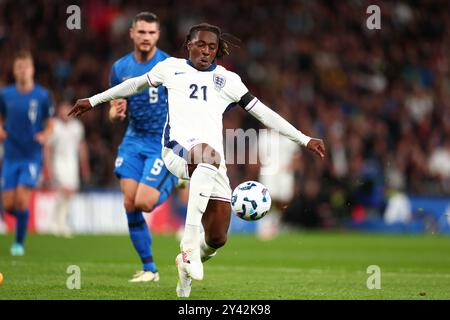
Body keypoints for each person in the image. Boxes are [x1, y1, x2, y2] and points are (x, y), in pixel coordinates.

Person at [69, 23, 326, 297]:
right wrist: (94, 100)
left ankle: (185, 269)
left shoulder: (228, 80)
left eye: (212, 47)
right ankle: (188, 247)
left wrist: (304, 138)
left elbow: (264, 114)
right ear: (188, 44)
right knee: (206, 154)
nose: (205, 51)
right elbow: (135, 85)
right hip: (175, 151)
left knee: (217, 238)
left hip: (212, 163)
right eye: (200, 45)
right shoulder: (171, 68)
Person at [107, 12, 178, 282]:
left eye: (151, 33)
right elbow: (112, 112)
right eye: (141, 32)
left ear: (158, 35)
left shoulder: (171, 65)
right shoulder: (120, 69)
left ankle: (174, 179)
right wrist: (116, 113)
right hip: (133, 141)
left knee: (145, 202)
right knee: (129, 203)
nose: (146, 37)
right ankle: (150, 269)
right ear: (132, 34)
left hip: (160, 143)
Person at [0, 50, 54, 256]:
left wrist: (44, 135)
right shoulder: (5, 95)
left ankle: (19, 243)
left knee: (22, 201)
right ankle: (23, 218)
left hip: (31, 156)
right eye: (19, 67)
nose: (22, 71)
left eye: (26, 67)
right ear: (15, 70)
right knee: (8, 205)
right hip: (11, 156)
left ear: (32, 70)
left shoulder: (42, 96)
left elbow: (50, 126)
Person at [44, 101, 90, 237]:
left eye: (66, 110)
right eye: (62, 110)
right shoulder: (54, 126)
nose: (64, 113)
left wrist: (84, 165)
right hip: (58, 162)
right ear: (59, 111)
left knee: (68, 194)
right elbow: (47, 148)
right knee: (65, 190)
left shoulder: (77, 127)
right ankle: (58, 223)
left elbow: (82, 146)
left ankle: (60, 222)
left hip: (72, 163)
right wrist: (47, 167)